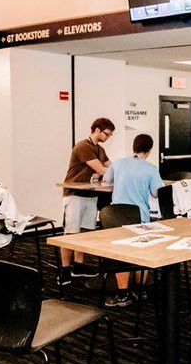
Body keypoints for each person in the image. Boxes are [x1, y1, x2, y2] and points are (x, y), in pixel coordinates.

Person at [102, 133, 162, 307]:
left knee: (121, 254)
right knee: (139, 252)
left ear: (134, 147)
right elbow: (156, 193)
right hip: (138, 216)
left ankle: (122, 293)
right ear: (149, 150)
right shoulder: (150, 168)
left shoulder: (118, 163)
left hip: (114, 216)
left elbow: (106, 180)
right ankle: (141, 289)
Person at [60, 117, 114, 282]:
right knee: (70, 233)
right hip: (75, 194)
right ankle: (64, 271)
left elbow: (111, 166)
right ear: (97, 130)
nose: (108, 137)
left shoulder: (100, 149)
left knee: (84, 232)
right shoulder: (84, 146)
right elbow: (103, 170)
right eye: (107, 134)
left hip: (90, 194)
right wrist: (109, 171)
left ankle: (79, 265)